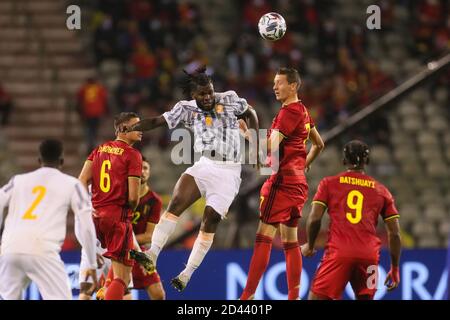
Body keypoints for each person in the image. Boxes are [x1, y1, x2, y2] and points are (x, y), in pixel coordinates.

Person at [129, 66, 259, 292]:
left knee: (209, 219)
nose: (208, 97)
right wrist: (131, 128)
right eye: (202, 94)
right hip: (204, 164)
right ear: (193, 96)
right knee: (175, 204)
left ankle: (186, 273)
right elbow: (158, 121)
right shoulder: (185, 109)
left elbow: (251, 113)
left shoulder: (229, 99)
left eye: (210, 92)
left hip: (229, 171)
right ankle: (151, 254)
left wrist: (256, 145)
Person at [240, 67, 324, 300]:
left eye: (279, 83)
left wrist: (248, 135)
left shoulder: (289, 112)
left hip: (281, 182)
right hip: (298, 184)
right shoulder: (304, 111)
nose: (275, 87)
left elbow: (270, 147)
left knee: (263, 237)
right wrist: (304, 164)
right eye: (274, 83)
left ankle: (246, 298)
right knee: (290, 241)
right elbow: (319, 144)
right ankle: (293, 297)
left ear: (293, 86)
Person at [302, 140, 402, 300]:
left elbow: (314, 219)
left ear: (343, 160)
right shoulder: (382, 191)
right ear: (367, 161)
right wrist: (395, 268)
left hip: (339, 253)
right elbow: (395, 233)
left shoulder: (329, 184)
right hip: (369, 256)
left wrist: (310, 245)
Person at [0, 139, 97, 300]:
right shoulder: (72, 185)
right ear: (62, 161)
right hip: (43, 251)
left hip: (10, 250)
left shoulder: (17, 181)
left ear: (39, 160)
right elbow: (86, 224)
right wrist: (92, 263)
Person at [78, 112, 143, 300]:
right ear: (123, 129)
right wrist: (131, 206)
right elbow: (133, 198)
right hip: (118, 217)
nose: (142, 130)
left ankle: (103, 294)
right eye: (137, 126)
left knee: (114, 276)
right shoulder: (133, 155)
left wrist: (89, 205)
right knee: (122, 278)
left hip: (96, 216)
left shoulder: (99, 149)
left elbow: (81, 180)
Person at [97, 158, 166, 300]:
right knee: (117, 293)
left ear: (150, 172)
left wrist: (127, 238)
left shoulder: (154, 200)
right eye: (140, 168)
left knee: (159, 295)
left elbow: (148, 236)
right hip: (120, 251)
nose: (142, 172)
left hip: (139, 252)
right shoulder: (121, 195)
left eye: (146, 168)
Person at [76, 77, 108, 153]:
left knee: (88, 129)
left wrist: (79, 110)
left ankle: (90, 144)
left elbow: (78, 98)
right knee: (94, 129)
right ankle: (93, 144)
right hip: (97, 113)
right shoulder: (99, 88)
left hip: (87, 113)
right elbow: (105, 99)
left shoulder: (84, 89)